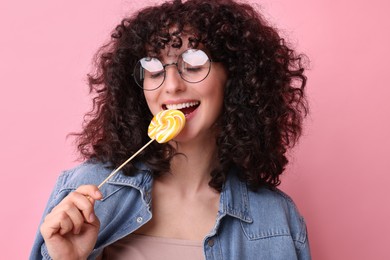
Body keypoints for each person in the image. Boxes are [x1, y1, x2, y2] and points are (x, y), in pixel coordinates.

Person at [30, 0, 310, 259]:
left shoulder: (276, 219)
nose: (172, 85)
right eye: (153, 69)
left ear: (234, 77)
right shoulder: (85, 194)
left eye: (193, 64)